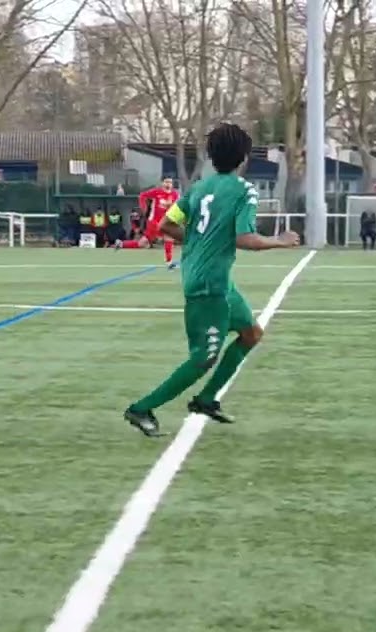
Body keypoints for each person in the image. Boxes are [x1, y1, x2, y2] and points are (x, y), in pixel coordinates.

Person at [124, 123, 300, 437]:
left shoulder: (198, 188)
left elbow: (165, 225)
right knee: (204, 358)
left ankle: (207, 399)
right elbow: (246, 239)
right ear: (244, 158)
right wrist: (282, 241)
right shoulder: (243, 190)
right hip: (209, 284)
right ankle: (142, 408)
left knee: (251, 334)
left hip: (216, 281)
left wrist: (198, 238)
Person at [139, 176, 180, 269]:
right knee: (143, 243)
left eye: (170, 182)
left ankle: (169, 262)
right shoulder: (156, 192)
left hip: (166, 222)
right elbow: (142, 195)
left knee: (169, 239)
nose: (168, 184)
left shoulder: (175, 194)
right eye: (166, 182)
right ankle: (121, 244)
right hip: (154, 222)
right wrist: (143, 207)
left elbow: (176, 207)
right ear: (162, 183)